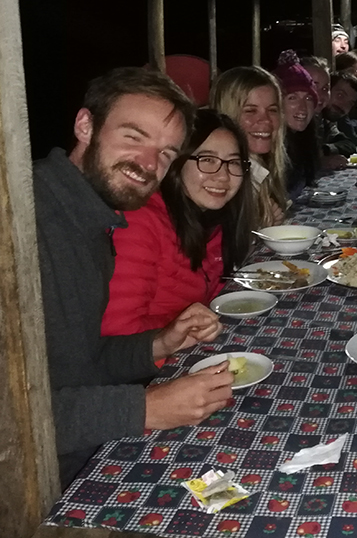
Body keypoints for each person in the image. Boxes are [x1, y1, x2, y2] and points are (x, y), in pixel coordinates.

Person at [33, 67, 231, 487]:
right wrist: (144, 408)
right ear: (86, 125)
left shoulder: (93, 220)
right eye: (134, 137)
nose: (147, 164)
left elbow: (85, 362)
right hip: (36, 486)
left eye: (165, 153)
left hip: (87, 447)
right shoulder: (26, 222)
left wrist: (160, 341)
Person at [101, 109, 253, 337]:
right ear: (176, 164)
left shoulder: (213, 220)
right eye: (207, 160)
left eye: (233, 162)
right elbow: (118, 333)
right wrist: (185, 327)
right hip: (152, 367)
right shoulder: (139, 222)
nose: (223, 176)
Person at [209, 66, 288, 226]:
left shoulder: (258, 169)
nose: (266, 120)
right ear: (228, 115)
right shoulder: (216, 176)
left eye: (272, 110)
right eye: (250, 111)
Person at [274, 50, 321, 199]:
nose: (302, 107)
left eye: (308, 98)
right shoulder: (267, 147)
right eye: (292, 98)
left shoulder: (303, 139)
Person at [320, 71, 357, 166]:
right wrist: (318, 161)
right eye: (340, 95)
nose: (343, 105)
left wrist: (324, 150)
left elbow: (349, 145)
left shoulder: (325, 121)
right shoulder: (305, 117)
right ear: (327, 91)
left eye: (350, 103)